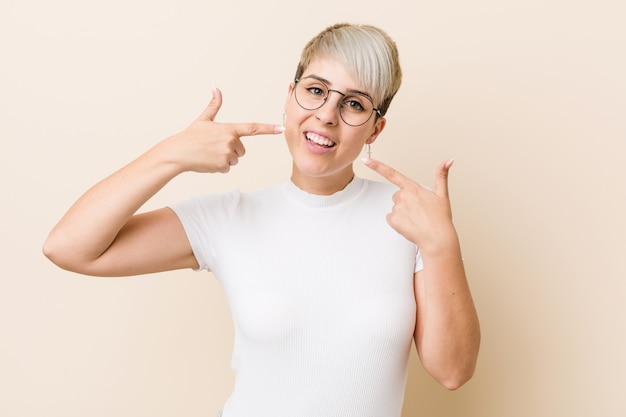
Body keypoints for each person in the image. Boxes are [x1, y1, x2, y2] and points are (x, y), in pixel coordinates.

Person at [43, 23, 480, 417]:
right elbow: (68, 247)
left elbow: (452, 371)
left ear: (375, 129)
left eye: (354, 104)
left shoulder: (410, 220)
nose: (327, 115)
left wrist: (443, 246)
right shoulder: (229, 218)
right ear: (289, 96)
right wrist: (172, 154)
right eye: (315, 90)